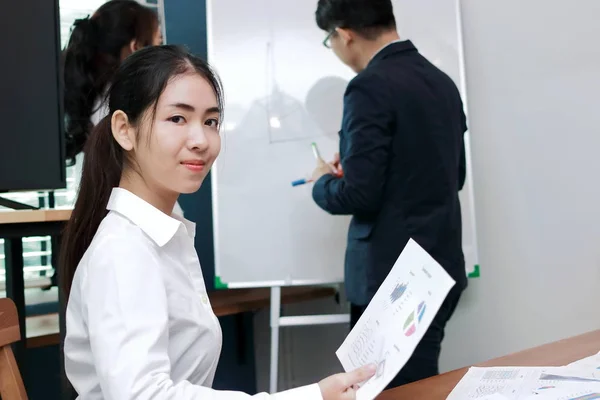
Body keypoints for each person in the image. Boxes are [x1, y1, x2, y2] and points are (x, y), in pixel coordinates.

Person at [59, 44, 375, 399]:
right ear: (124, 129)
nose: (201, 141)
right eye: (177, 118)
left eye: (210, 122)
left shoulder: (166, 232)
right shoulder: (124, 251)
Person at [310, 0, 469, 388]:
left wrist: (321, 182)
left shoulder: (368, 86)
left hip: (393, 283)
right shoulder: (441, 82)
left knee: (391, 392)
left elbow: (360, 194)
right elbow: (456, 176)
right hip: (439, 268)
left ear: (343, 34)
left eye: (330, 40)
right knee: (418, 386)